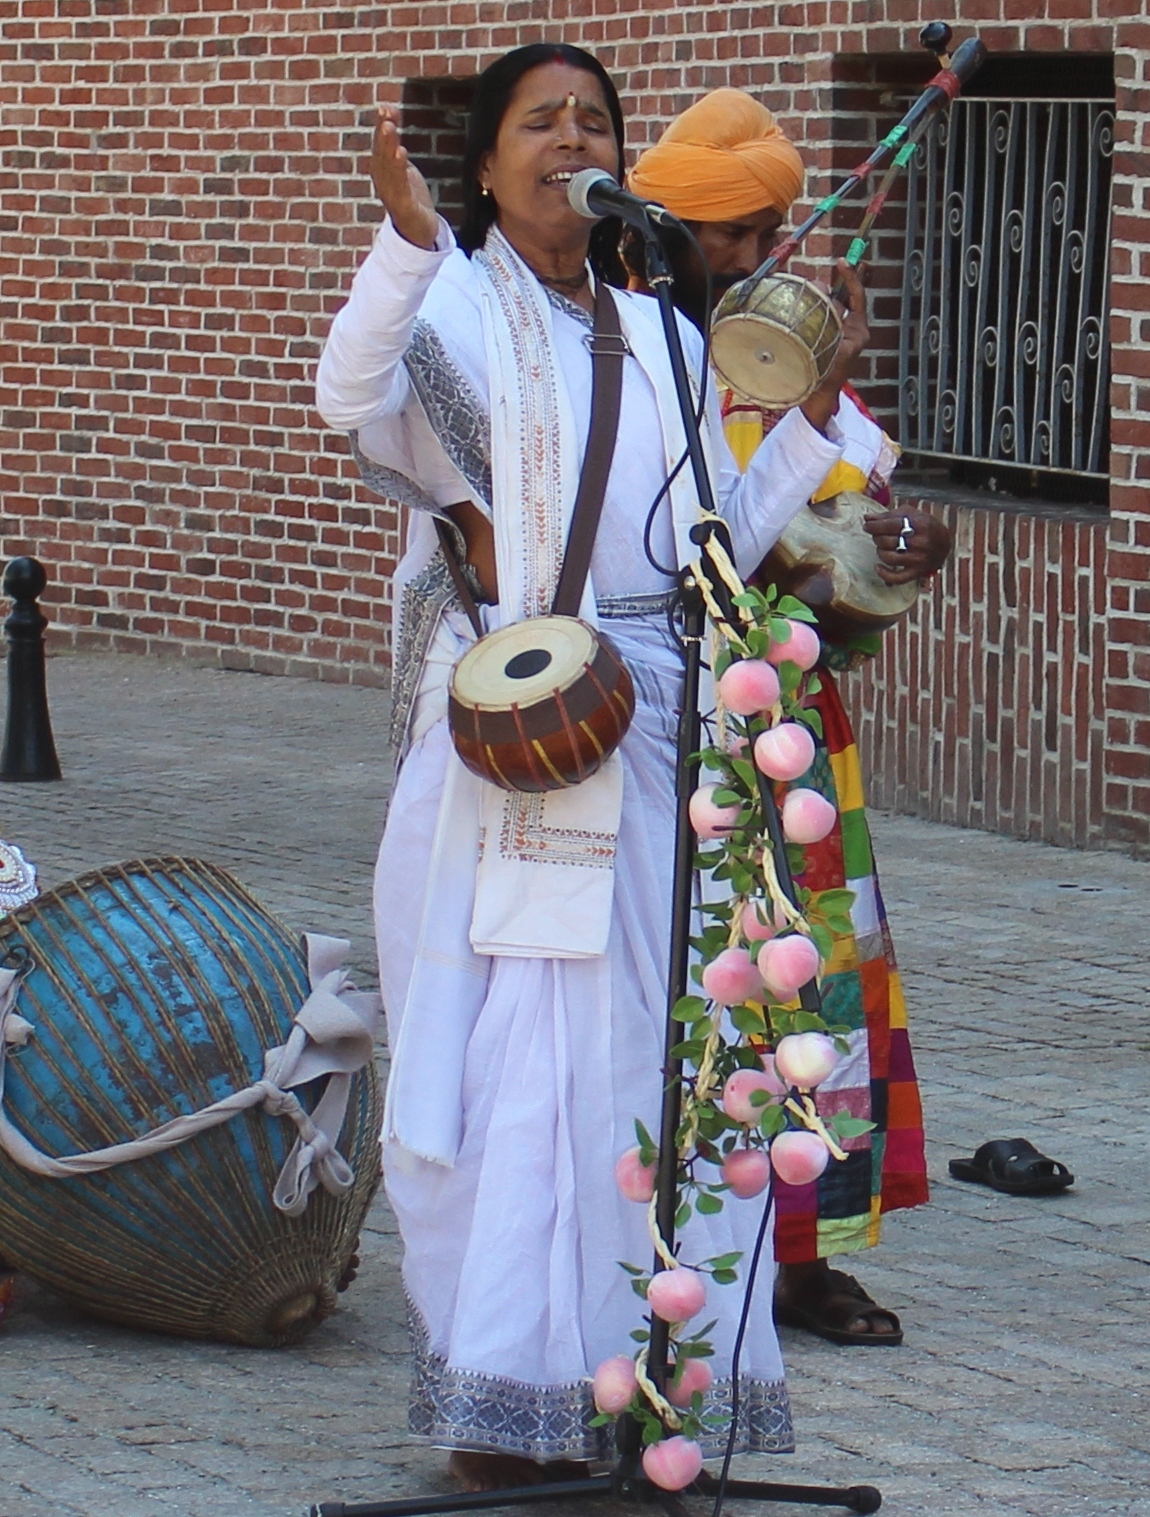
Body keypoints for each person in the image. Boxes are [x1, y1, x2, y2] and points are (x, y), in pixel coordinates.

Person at [316, 45, 866, 1492]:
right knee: (513, 1068)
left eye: (594, 122)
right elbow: (345, 391)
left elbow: (715, 541)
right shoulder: (450, 299)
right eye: (539, 122)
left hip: (663, 741)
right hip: (518, 736)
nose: (572, 140)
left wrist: (811, 414)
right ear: (488, 165)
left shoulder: (663, 331)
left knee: (654, 1061)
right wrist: (402, 235)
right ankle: (508, 1404)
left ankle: (649, 1390)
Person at [627, 89, 951, 1348]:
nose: (760, 260)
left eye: (770, 234)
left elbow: (861, 557)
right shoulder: (649, 366)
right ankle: (685, 1236)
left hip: (802, 733)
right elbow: (704, 548)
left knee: (818, 991)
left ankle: (806, 1258)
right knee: (702, 986)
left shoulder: (807, 378)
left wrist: (914, 550)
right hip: (680, 722)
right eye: (733, 238)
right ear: (665, 238)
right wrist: (805, 425)